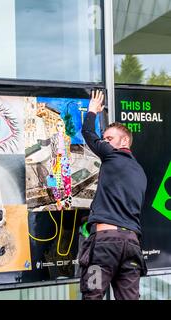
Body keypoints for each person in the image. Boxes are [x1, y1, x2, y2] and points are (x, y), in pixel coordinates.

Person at [79, 90, 147, 300]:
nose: (105, 143)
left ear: (124, 142)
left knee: (93, 294)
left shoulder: (112, 155)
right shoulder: (140, 172)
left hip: (105, 248)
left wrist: (92, 112)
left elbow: (88, 134)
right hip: (132, 248)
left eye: (109, 139)